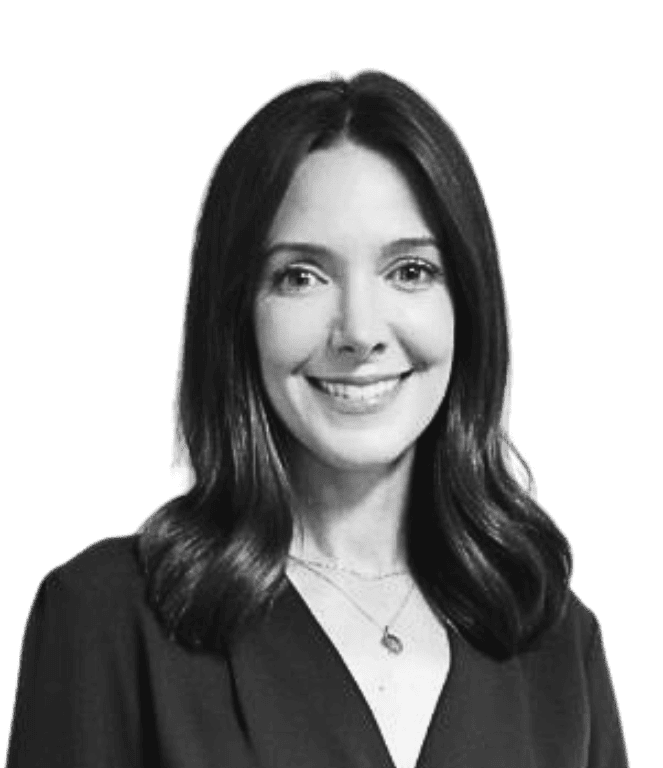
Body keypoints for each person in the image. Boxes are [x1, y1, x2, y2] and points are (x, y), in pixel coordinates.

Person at [6, 70, 629, 768]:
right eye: (301, 276)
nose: (359, 332)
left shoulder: (556, 645)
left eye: (410, 271)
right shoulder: (105, 619)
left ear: (467, 307)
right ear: (238, 314)